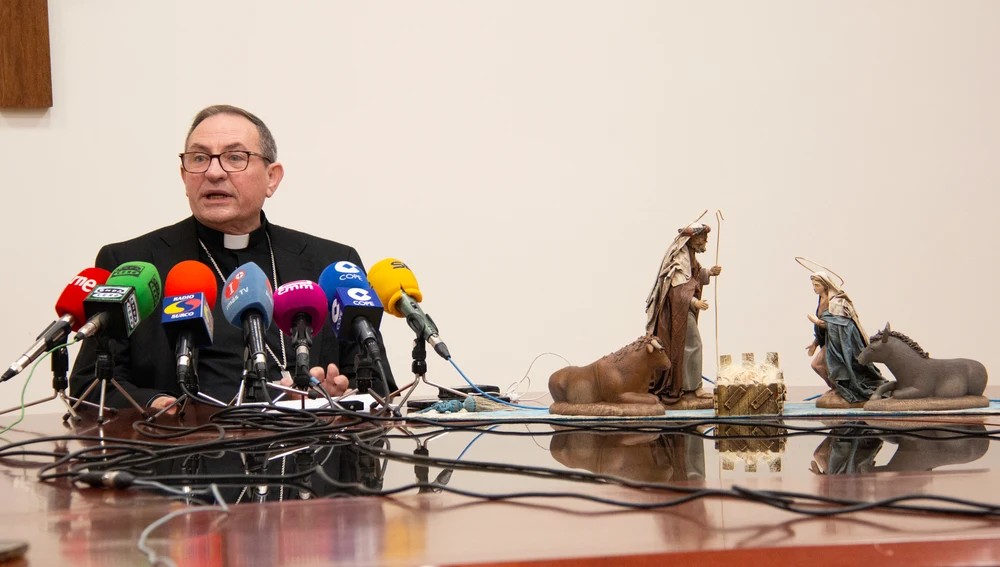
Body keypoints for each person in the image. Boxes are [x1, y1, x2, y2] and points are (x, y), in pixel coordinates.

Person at [70, 105, 396, 413]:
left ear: (272, 178)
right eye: (199, 159)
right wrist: (159, 405)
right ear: (184, 176)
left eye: (235, 157)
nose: (213, 172)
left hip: (302, 458)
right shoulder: (131, 263)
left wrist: (339, 398)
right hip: (182, 455)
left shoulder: (332, 262)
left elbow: (379, 386)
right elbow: (90, 386)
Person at [644, 223, 722, 409]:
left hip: (683, 310)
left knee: (691, 346)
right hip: (678, 313)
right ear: (693, 238)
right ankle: (691, 388)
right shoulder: (679, 259)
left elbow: (693, 275)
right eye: (703, 238)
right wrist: (695, 302)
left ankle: (691, 387)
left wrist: (709, 272)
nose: (705, 241)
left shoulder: (689, 256)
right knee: (693, 345)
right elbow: (677, 291)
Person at [805, 271, 884, 408]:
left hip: (844, 343)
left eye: (817, 285)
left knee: (833, 367)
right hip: (831, 341)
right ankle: (837, 389)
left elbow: (840, 323)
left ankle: (841, 390)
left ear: (825, 285)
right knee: (817, 365)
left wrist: (817, 322)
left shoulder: (837, 301)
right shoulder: (821, 301)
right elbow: (826, 326)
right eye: (813, 285)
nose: (814, 288)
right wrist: (815, 343)